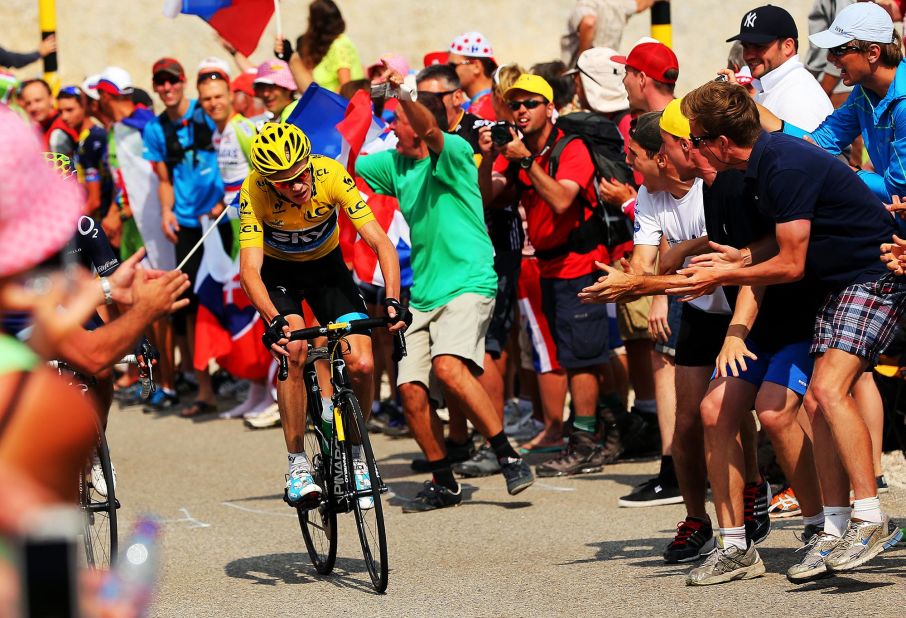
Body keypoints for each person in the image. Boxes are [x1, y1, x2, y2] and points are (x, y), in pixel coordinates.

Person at [675, 80, 904, 577]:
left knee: (825, 390)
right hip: (837, 286)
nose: (690, 148)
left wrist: (726, 272)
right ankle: (785, 537)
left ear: (718, 143)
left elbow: (792, 264)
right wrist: (738, 259)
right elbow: (775, 245)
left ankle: (869, 519)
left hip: (874, 275)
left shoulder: (780, 164)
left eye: (694, 139)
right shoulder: (756, 169)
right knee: (748, 406)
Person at [652, 100, 824, 584]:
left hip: (792, 317)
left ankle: (820, 529)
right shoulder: (711, 187)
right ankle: (734, 546)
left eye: (665, 145)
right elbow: (736, 263)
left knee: (774, 412)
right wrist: (642, 285)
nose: (661, 156)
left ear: (690, 145)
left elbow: (758, 267)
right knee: (713, 411)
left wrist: (734, 332)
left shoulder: (733, 181)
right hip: (757, 323)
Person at [356, 65, 534, 512]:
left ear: (417, 123)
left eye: (396, 119)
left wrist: (401, 94)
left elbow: (432, 128)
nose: (389, 127)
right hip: (425, 294)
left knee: (451, 369)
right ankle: (443, 479)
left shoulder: (452, 150)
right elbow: (342, 164)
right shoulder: (394, 163)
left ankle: (507, 455)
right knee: (411, 390)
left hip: (470, 280)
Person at [239, 122, 404, 508]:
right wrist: (273, 320)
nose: (295, 186)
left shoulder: (330, 173)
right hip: (278, 277)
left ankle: (359, 456)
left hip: (327, 272)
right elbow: (249, 271)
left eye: (299, 175)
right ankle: (297, 464)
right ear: (268, 181)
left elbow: (380, 241)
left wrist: (393, 299)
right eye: (283, 182)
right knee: (294, 352)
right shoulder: (254, 189)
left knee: (362, 363)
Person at [478, 73, 612, 477]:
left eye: (530, 104)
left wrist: (525, 160)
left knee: (582, 357)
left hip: (580, 263)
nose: (521, 112)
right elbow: (487, 196)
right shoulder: (518, 150)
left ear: (549, 107)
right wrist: (487, 158)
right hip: (550, 265)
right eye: (515, 105)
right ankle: (592, 430)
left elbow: (561, 199)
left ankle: (586, 440)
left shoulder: (571, 148)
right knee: (568, 355)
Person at [143, 57, 227, 418]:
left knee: (232, 295)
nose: (167, 88)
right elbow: (164, 179)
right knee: (189, 302)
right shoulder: (156, 129)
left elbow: (228, 152)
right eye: (160, 83)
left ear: (182, 82)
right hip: (189, 222)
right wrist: (166, 212)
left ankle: (239, 374)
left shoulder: (206, 111)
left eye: (172, 81)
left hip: (223, 216)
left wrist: (227, 196)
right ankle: (203, 386)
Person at [725, 4, 833, 132]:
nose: (749, 55)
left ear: (788, 46)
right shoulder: (775, 85)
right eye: (746, 46)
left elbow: (805, 151)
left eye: (759, 46)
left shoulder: (798, 95)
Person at [283, 0, 365, 93]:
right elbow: (306, 86)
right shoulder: (322, 48)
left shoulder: (340, 44)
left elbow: (346, 87)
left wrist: (323, 99)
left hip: (337, 105)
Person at [57, 86, 113, 221]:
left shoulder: (93, 138)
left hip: (99, 222)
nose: (64, 117)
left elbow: (94, 201)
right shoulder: (81, 138)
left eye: (70, 110)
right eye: (60, 111)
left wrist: (70, 224)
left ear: (85, 108)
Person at [560, 0, 658, 67]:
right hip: (607, 68)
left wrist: (582, 58)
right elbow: (639, 6)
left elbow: (589, 23)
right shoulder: (618, 3)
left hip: (582, 68)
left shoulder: (586, 3)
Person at [18, 78, 78, 157]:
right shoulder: (40, 127)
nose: (33, 107)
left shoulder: (60, 131)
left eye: (38, 100)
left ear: (51, 99)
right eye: (28, 103)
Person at [447, 31, 498, 120]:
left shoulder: (480, 112)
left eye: (453, 66)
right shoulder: (496, 102)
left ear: (476, 66)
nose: (448, 72)